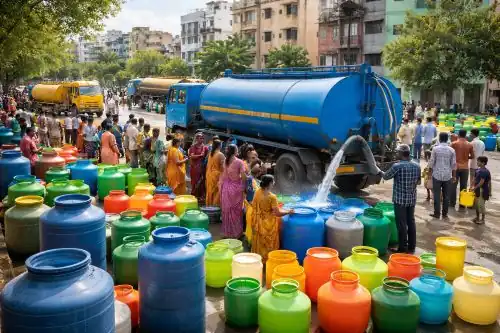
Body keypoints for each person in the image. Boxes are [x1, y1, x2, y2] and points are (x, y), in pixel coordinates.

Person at [380, 144, 420, 253]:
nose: (396, 154)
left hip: (400, 200)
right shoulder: (417, 165)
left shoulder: (397, 166)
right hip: (411, 199)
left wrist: (379, 171)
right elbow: (419, 182)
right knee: (411, 222)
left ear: (402, 154)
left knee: (401, 224)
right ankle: (412, 246)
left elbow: (385, 176)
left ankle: (402, 248)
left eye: (397, 152)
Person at [250, 175, 294, 262]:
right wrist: (288, 212)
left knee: (259, 242)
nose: (274, 183)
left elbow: (254, 205)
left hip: (257, 222)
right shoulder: (272, 197)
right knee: (269, 243)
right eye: (273, 182)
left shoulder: (257, 192)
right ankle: (268, 260)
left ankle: (258, 259)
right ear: (269, 184)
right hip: (268, 223)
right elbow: (277, 213)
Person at [220, 144, 246, 239]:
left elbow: (224, 176)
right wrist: (245, 185)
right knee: (237, 211)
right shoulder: (239, 162)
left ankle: (227, 233)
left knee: (227, 211)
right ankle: (237, 233)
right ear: (235, 151)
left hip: (226, 187)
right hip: (236, 188)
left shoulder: (225, 161)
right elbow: (243, 176)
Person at [429, 132, 457, 219]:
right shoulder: (451, 150)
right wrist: (454, 176)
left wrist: (429, 175)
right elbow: (454, 165)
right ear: (447, 139)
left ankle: (437, 213)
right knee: (446, 196)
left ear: (440, 139)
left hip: (436, 175)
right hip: (447, 176)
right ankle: (445, 214)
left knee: (436, 195)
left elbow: (431, 163)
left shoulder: (435, 149)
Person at [450, 129, 474, 209]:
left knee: (453, 185)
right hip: (465, 167)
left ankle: (452, 203)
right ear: (465, 135)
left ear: (459, 135)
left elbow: (450, 155)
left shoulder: (453, 143)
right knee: (463, 186)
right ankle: (462, 204)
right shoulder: (469, 144)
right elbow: (472, 156)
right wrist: (466, 157)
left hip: (455, 167)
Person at [470, 156, 491, 225]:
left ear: (483, 163)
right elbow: (475, 179)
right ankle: (477, 217)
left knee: (481, 205)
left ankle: (482, 219)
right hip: (478, 190)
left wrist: (474, 188)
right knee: (477, 204)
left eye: (478, 161)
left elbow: (482, 182)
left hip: (483, 190)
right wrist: (471, 186)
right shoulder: (478, 170)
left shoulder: (484, 171)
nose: (477, 162)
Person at [189, 132, 209, 200]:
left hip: (201, 167)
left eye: (203, 138)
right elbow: (192, 156)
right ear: (197, 139)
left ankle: (201, 196)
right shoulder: (193, 147)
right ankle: (194, 195)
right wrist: (200, 155)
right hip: (194, 167)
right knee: (195, 182)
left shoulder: (205, 148)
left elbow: (207, 157)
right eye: (200, 138)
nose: (202, 140)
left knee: (202, 182)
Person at [205, 139, 225, 206]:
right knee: (216, 193)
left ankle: (209, 206)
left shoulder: (211, 153)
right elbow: (224, 168)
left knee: (210, 192)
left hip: (209, 174)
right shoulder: (220, 154)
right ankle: (214, 208)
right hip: (216, 176)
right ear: (219, 146)